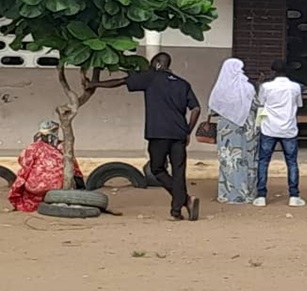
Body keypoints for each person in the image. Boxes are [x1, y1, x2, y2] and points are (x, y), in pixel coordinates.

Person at [88, 53, 201, 221]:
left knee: (157, 169)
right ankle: (177, 209)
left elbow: (121, 81)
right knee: (179, 172)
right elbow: (196, 109)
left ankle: (184, 200)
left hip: (158, 133)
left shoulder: (151, 77)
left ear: (156, 64)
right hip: (179, 134)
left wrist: (95, 84)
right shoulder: (183, 83)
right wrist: (187, 131)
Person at [254, 59, 305, 208]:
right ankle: (294, 196)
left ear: (273, 71)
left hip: (269, 128)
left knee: (264, 161)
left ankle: (261, 196)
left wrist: (260, 85)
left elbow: (260, 102)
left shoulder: (266, 86)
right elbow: (299, 104)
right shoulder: (295, 87)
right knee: (292, 162)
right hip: (289, 129)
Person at [208, 58, 258, 204]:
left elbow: (213, 109)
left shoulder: (221, 88)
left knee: (229, 160)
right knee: (248, 160)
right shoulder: (248, 87)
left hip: (227, 130)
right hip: (248, 129)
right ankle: (248, 193)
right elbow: (256, 105)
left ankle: (228, 194)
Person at [8, 121, 83, 213]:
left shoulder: (33, 147)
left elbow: (23, 162)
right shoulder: (64, 147)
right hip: (58, 187)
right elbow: (75, 168)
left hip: (35, 187)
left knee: (23, 174)